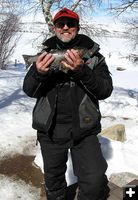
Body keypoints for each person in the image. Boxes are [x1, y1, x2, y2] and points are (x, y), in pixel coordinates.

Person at [23, 7, 113, 200]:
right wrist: (39, 73)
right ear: (54, 28)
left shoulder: (93, 56)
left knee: (95, 181)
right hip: (51, 129)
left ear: (77, 28)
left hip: (84, 130)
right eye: (60, 24)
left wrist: (82, 71)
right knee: (54, 181)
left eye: (70, 24)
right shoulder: (45, 54)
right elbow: (29, 90)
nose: (65, 27)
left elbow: (105, 90)